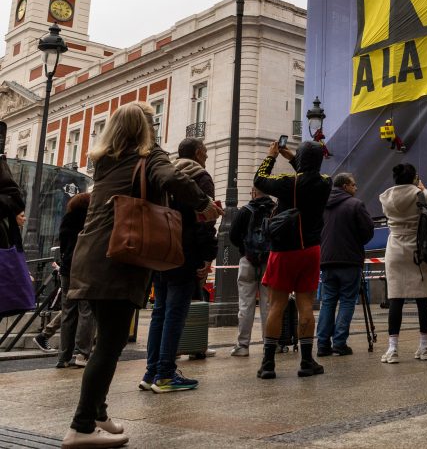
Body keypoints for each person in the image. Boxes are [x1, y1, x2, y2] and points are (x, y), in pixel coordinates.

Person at [64, 102, 220, 448]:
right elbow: (170, 178)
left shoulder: (104, 161)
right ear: (148, 127)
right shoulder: (151, 156)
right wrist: (203, 205)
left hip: (91, 255)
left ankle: (99, 412)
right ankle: (81, 426)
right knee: (109, 344)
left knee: (109, 338)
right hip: (120, 258)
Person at [142, 138, 218, 393]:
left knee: (160, 312)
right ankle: (165, 374)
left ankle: (151, 371)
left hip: (159, 251)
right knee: (175, 314)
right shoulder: (200, 177)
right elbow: (204, 220)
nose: (206, 157)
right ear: (198, 153)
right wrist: (207, 257)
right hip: (184, 252)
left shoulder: (167, 174)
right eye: (205, 153)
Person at [253, 140, 333, 379]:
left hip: (283, 250)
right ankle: (307, 361)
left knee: (276, 305)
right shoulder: (325, 182)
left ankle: (268, 363)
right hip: (310, 249)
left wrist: (272, 156)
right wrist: (293, 158)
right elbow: (307, 174)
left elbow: (260, 179)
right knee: (305, 304)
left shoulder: (287, 184)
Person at [379, 163, 427, 364]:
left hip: (396, 249)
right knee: (423, 298)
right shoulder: (420, 194)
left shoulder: (386, 197)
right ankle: (423, 348)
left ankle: (393, 349)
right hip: (419, 249)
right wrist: (424, 189)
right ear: (414, 178)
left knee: (395, 298)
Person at [317, 172, 374, 357]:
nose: (356, 188)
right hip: (349, 260)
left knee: (328, 302)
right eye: (354, 185)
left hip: (327, 260)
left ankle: (322, 344)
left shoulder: (322, 205)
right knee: (348, 301)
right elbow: (367, 232)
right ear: (345, 186)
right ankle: (339, 343)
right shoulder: (355, 205)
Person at [228, 188, 275, 357]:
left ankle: (242, 346)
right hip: (269, 262)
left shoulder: (245, 211)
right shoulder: (274, 209)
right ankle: (269, 344)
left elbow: (232, 235)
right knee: (268, 304)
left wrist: (244, 248)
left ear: (254, 193)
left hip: (247, 260)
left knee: (246, 304)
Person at [54, 193, 95, 369]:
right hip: (85, 267)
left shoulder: (67, 219)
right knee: (86, 310)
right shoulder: (90, 219)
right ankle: (82, 353)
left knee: (68, 311)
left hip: (67, 269)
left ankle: (63, 356)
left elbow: (62, 244)